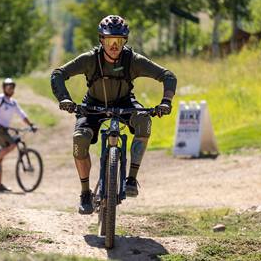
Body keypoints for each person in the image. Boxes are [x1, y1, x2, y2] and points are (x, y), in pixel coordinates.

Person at [50, 15, 177, 214]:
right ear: (101, 39)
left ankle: (131, 179)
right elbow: (58, 74)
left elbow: (167, 76)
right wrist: (64, 99)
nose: (115, 46)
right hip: (92, 105)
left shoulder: (132, 60)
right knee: (79, 139)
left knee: (144, 122)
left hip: (124, 101)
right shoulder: (90, 59)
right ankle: (85, 193)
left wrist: (165, 102)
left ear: (125, 41)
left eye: (119, 41)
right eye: (110, 40)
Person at [0, 78, 35, 193]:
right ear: (4, 88)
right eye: (8, 87)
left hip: (4, 131)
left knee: (1, 156)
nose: (10, 89)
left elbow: (22, 114)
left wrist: (31, 125)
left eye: (12, 87)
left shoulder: (13, 103)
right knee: (12, 144)